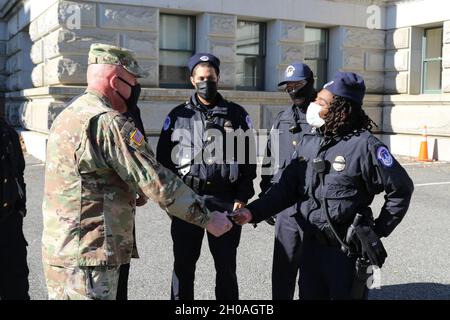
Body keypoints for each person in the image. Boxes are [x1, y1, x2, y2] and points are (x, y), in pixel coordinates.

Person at [41, 43, 233, 300]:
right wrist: (207, 218)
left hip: (63, 253)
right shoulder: (108, 121)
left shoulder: (69, 115)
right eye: (132, 81)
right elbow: (156, 180)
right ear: (114, 80)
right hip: (90, 258)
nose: (136, 89)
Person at [232, 72, 414, 300]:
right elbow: (286, 189)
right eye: (316, 99)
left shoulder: (365, 146)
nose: (314, 105)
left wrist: (377, 231)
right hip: (311, 249)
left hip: (346, 253)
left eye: (321, 102)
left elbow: (401, 190)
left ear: (341, 109)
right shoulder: (310, 143)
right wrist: (252, 212)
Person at [156, 53, 257, 300]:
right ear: (192, 80)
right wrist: (171, 202)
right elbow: (163, 162)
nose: (206, 82)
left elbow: (248, 160)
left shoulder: (235, 114)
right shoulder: (179, 115)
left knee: (226, 268)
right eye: (200, 78)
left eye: (210, 78)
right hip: (187, 198)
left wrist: (242, 196)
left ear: (218, 78)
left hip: (225, 200)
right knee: (183, 265)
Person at [260, 63, 315, 300]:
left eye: (298, 84)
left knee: (312, 274)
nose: (293, 90)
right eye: (289, 86)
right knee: (283, 271)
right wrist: (267, 195)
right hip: (286, 209)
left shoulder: (327, 117)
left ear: (311, 83)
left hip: (316, 208)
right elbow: (269, 159)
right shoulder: (282, 119)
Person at [116, 104, 148, 300]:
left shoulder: (131, 109)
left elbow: (141, 150)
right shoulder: (119, 114)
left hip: (121, 207)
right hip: (105, 211)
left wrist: (142, 188)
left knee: (121, 271)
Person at [0, 117, 29, 300]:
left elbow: (19, 171)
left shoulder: (6, 131)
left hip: (10, 225)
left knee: (16, 290)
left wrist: (20, 209)